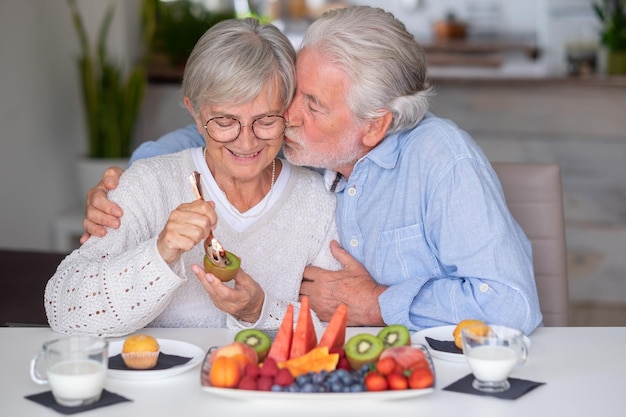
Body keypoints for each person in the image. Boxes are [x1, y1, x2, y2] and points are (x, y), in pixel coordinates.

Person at [82, 6, 543, 335]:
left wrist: (375, 303)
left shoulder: (441, 160)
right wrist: (125, 190)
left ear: (374, 126)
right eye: (294, 92)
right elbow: (222, 132)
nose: (288, 115)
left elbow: (511, 305)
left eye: (313, 103)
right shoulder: (304, 143)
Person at [45, 18, 340, 337]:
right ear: (196, 114)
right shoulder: (149, 183)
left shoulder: (318, 202)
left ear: (288, 111)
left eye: (266, 120)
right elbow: (64, 310)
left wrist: (258, 310)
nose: (246, 142)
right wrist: (161, 252)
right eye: (225, 121)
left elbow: (340, 330)